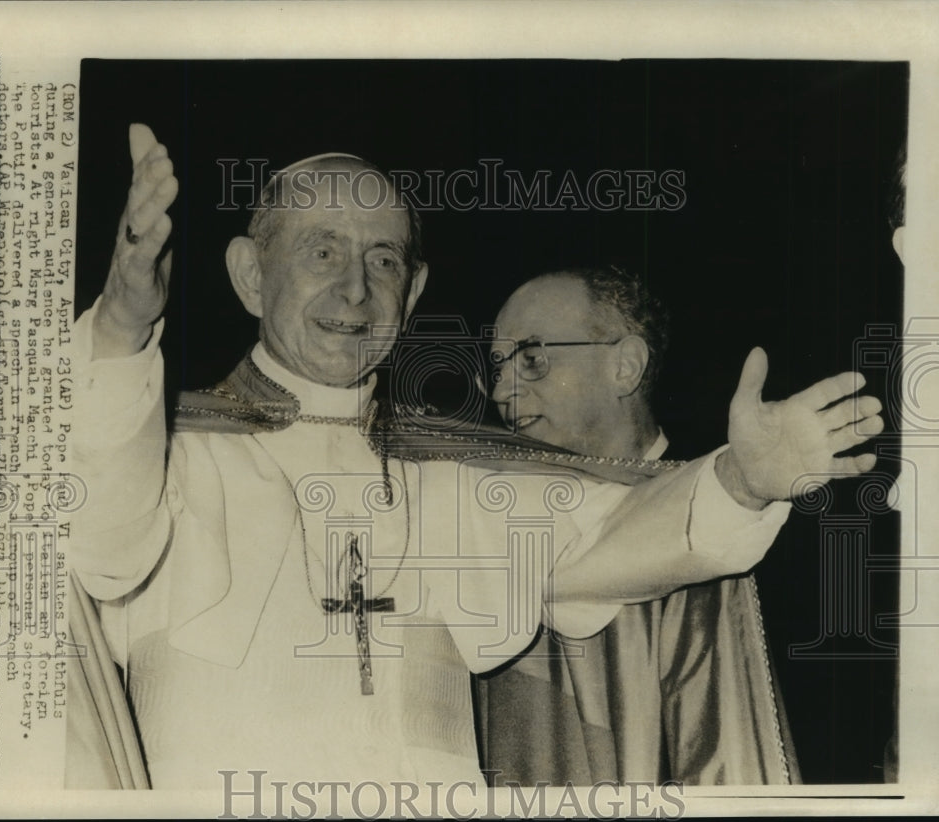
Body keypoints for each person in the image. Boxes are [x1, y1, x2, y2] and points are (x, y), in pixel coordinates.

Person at [69, 124, 883, 790]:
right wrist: (119, 329)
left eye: (383, 261)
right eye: (321, 252)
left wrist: (744, 481)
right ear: (250, 275)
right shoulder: (163, 448)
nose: (356, 292)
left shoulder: (454, 472)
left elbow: (613, 534)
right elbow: (100, 540)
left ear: (413, 292)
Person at [474, 267, 799, 785]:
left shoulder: (755, 523)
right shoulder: (491, 518)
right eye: (495, 366)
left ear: (624, 367)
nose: (501, 389)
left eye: (531, 359)